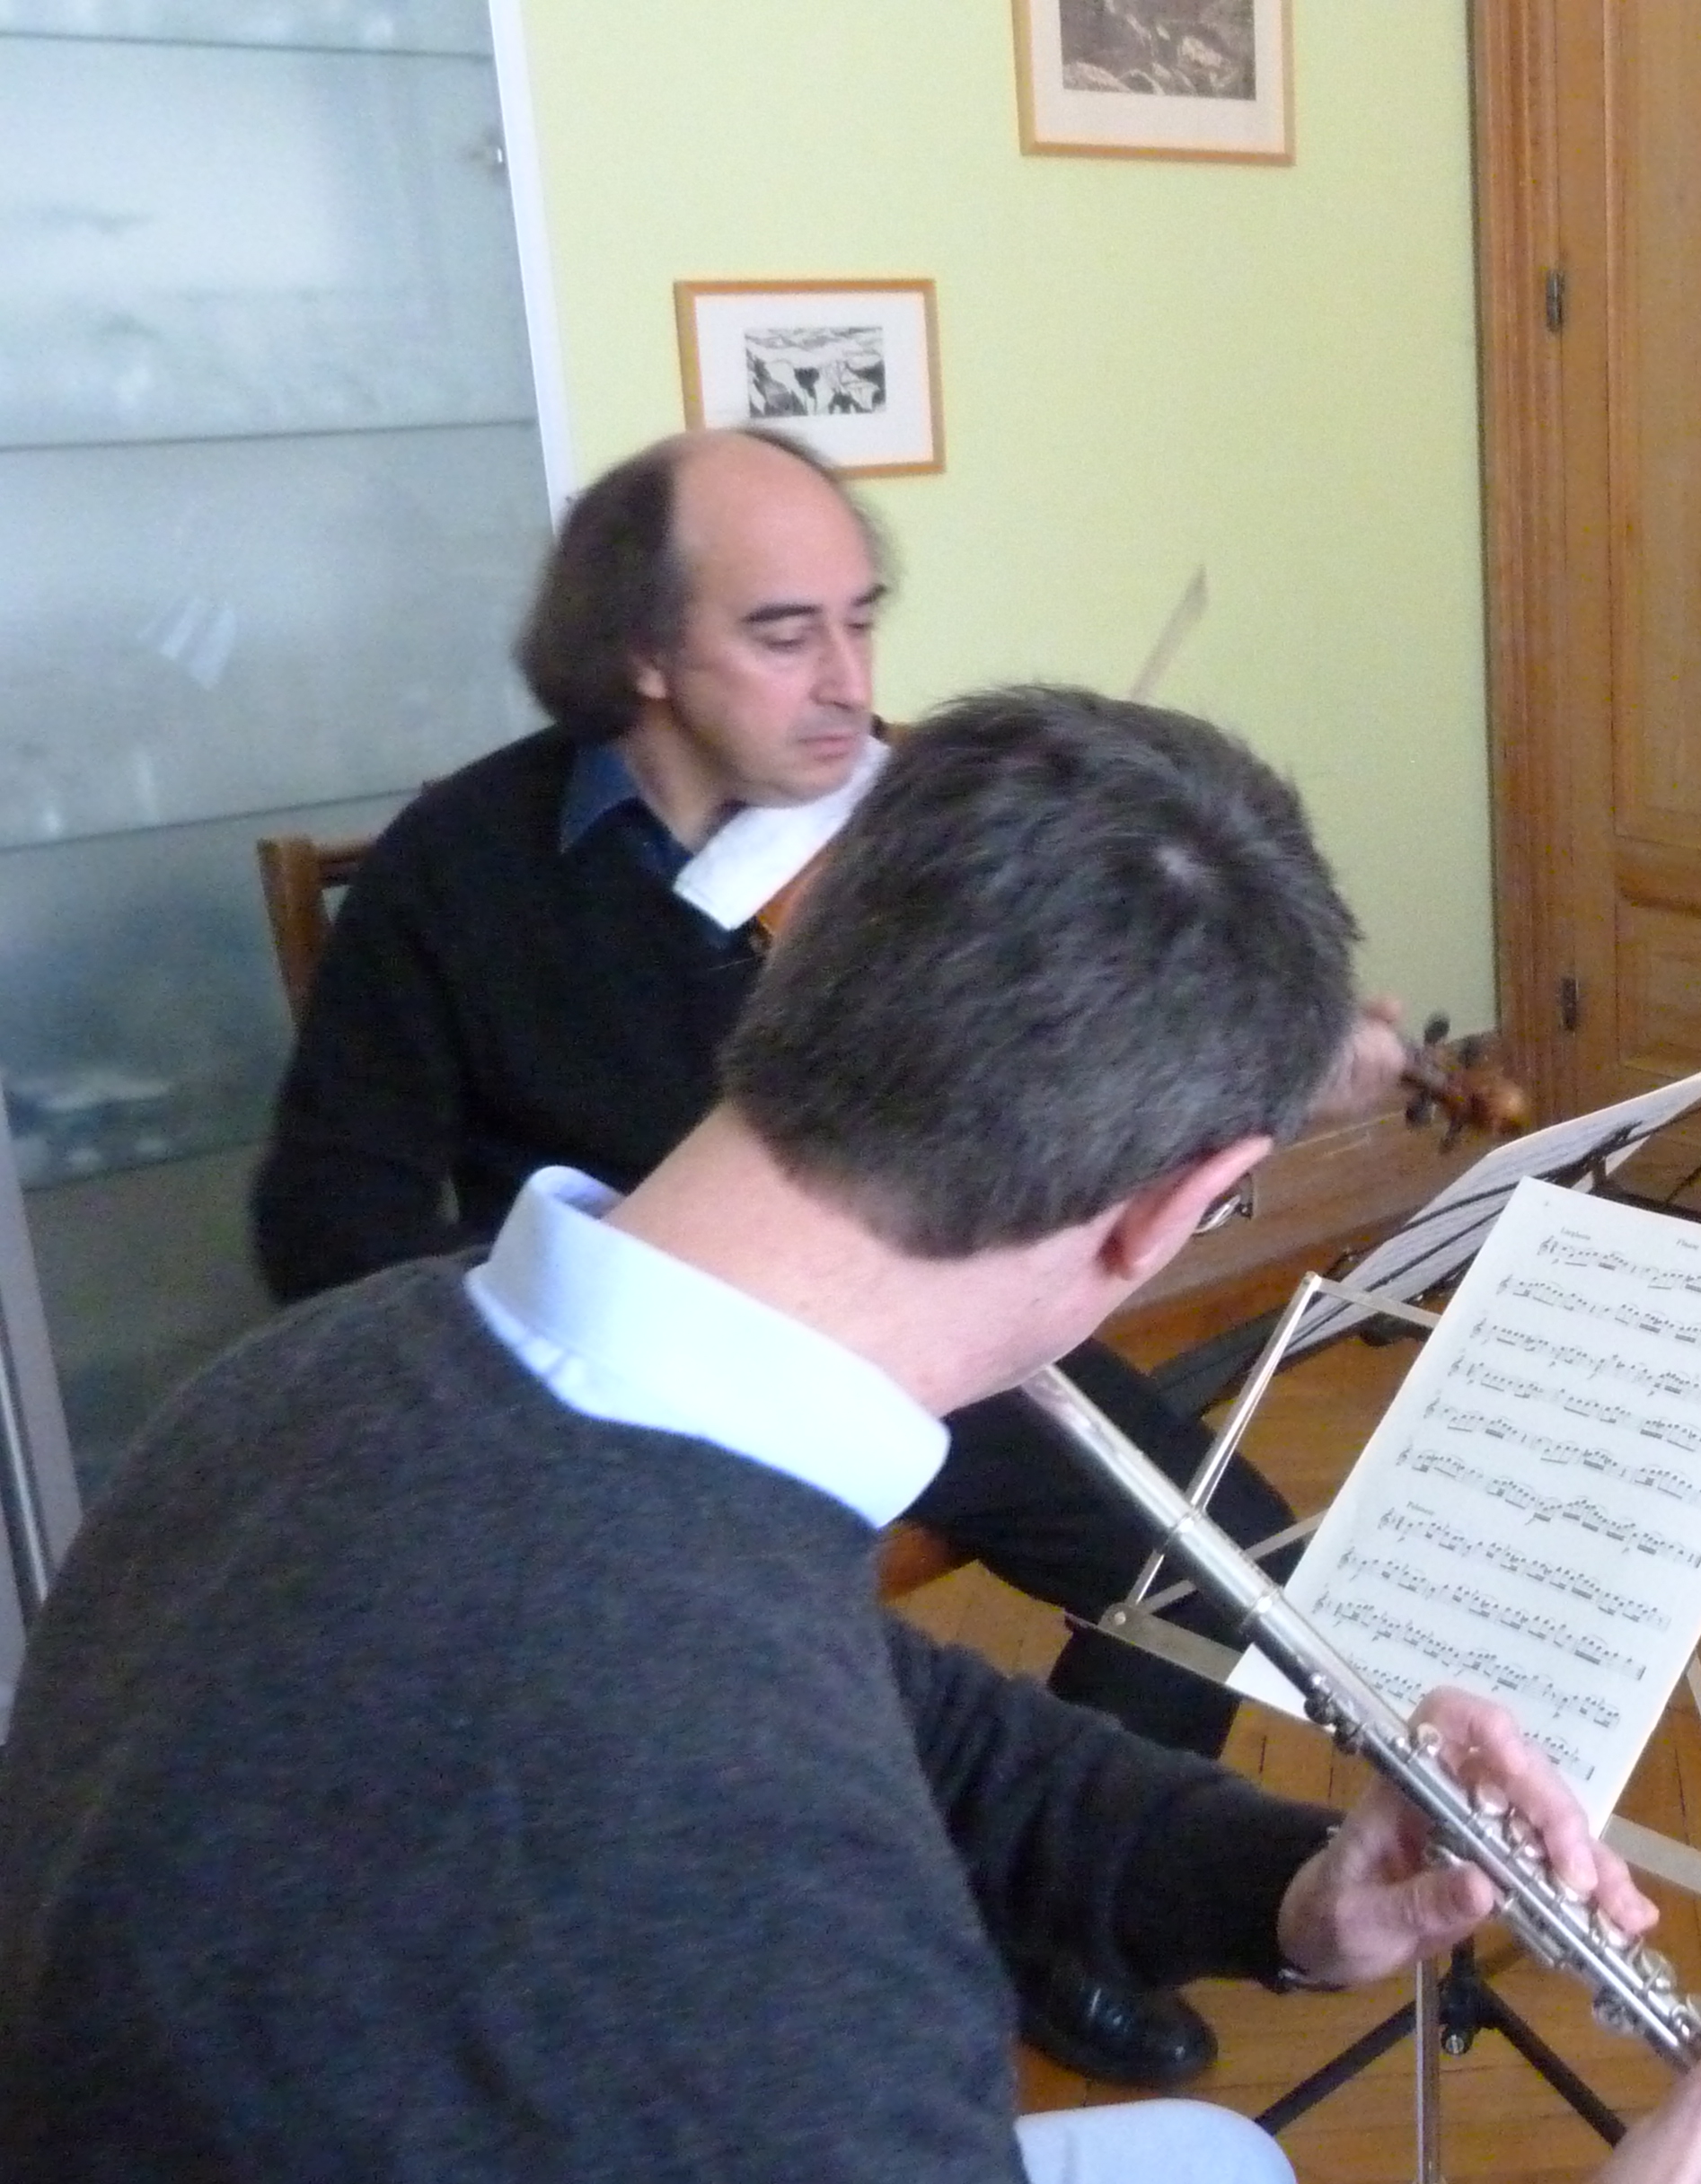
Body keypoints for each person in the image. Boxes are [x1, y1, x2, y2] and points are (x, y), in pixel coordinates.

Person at [0, 687, 1701, 2184]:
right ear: (1179, 1208)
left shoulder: (342, 1369)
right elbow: (743, 1813)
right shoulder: (766, 1915)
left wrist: (1291, 1891)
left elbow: (909, 1726)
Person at [247, 425, 1403, 2088]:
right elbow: (329, 1215)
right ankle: (868, 1908)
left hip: (916, 1322)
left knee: (1223, 1557)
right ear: (643, 653)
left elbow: (1049, 1120)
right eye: (786, 635)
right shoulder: (462, 866)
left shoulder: (912, 836)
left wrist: (1260, 1062)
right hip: (618, 1401)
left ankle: (1039, 1926)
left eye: (863, 621)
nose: (851, 685)